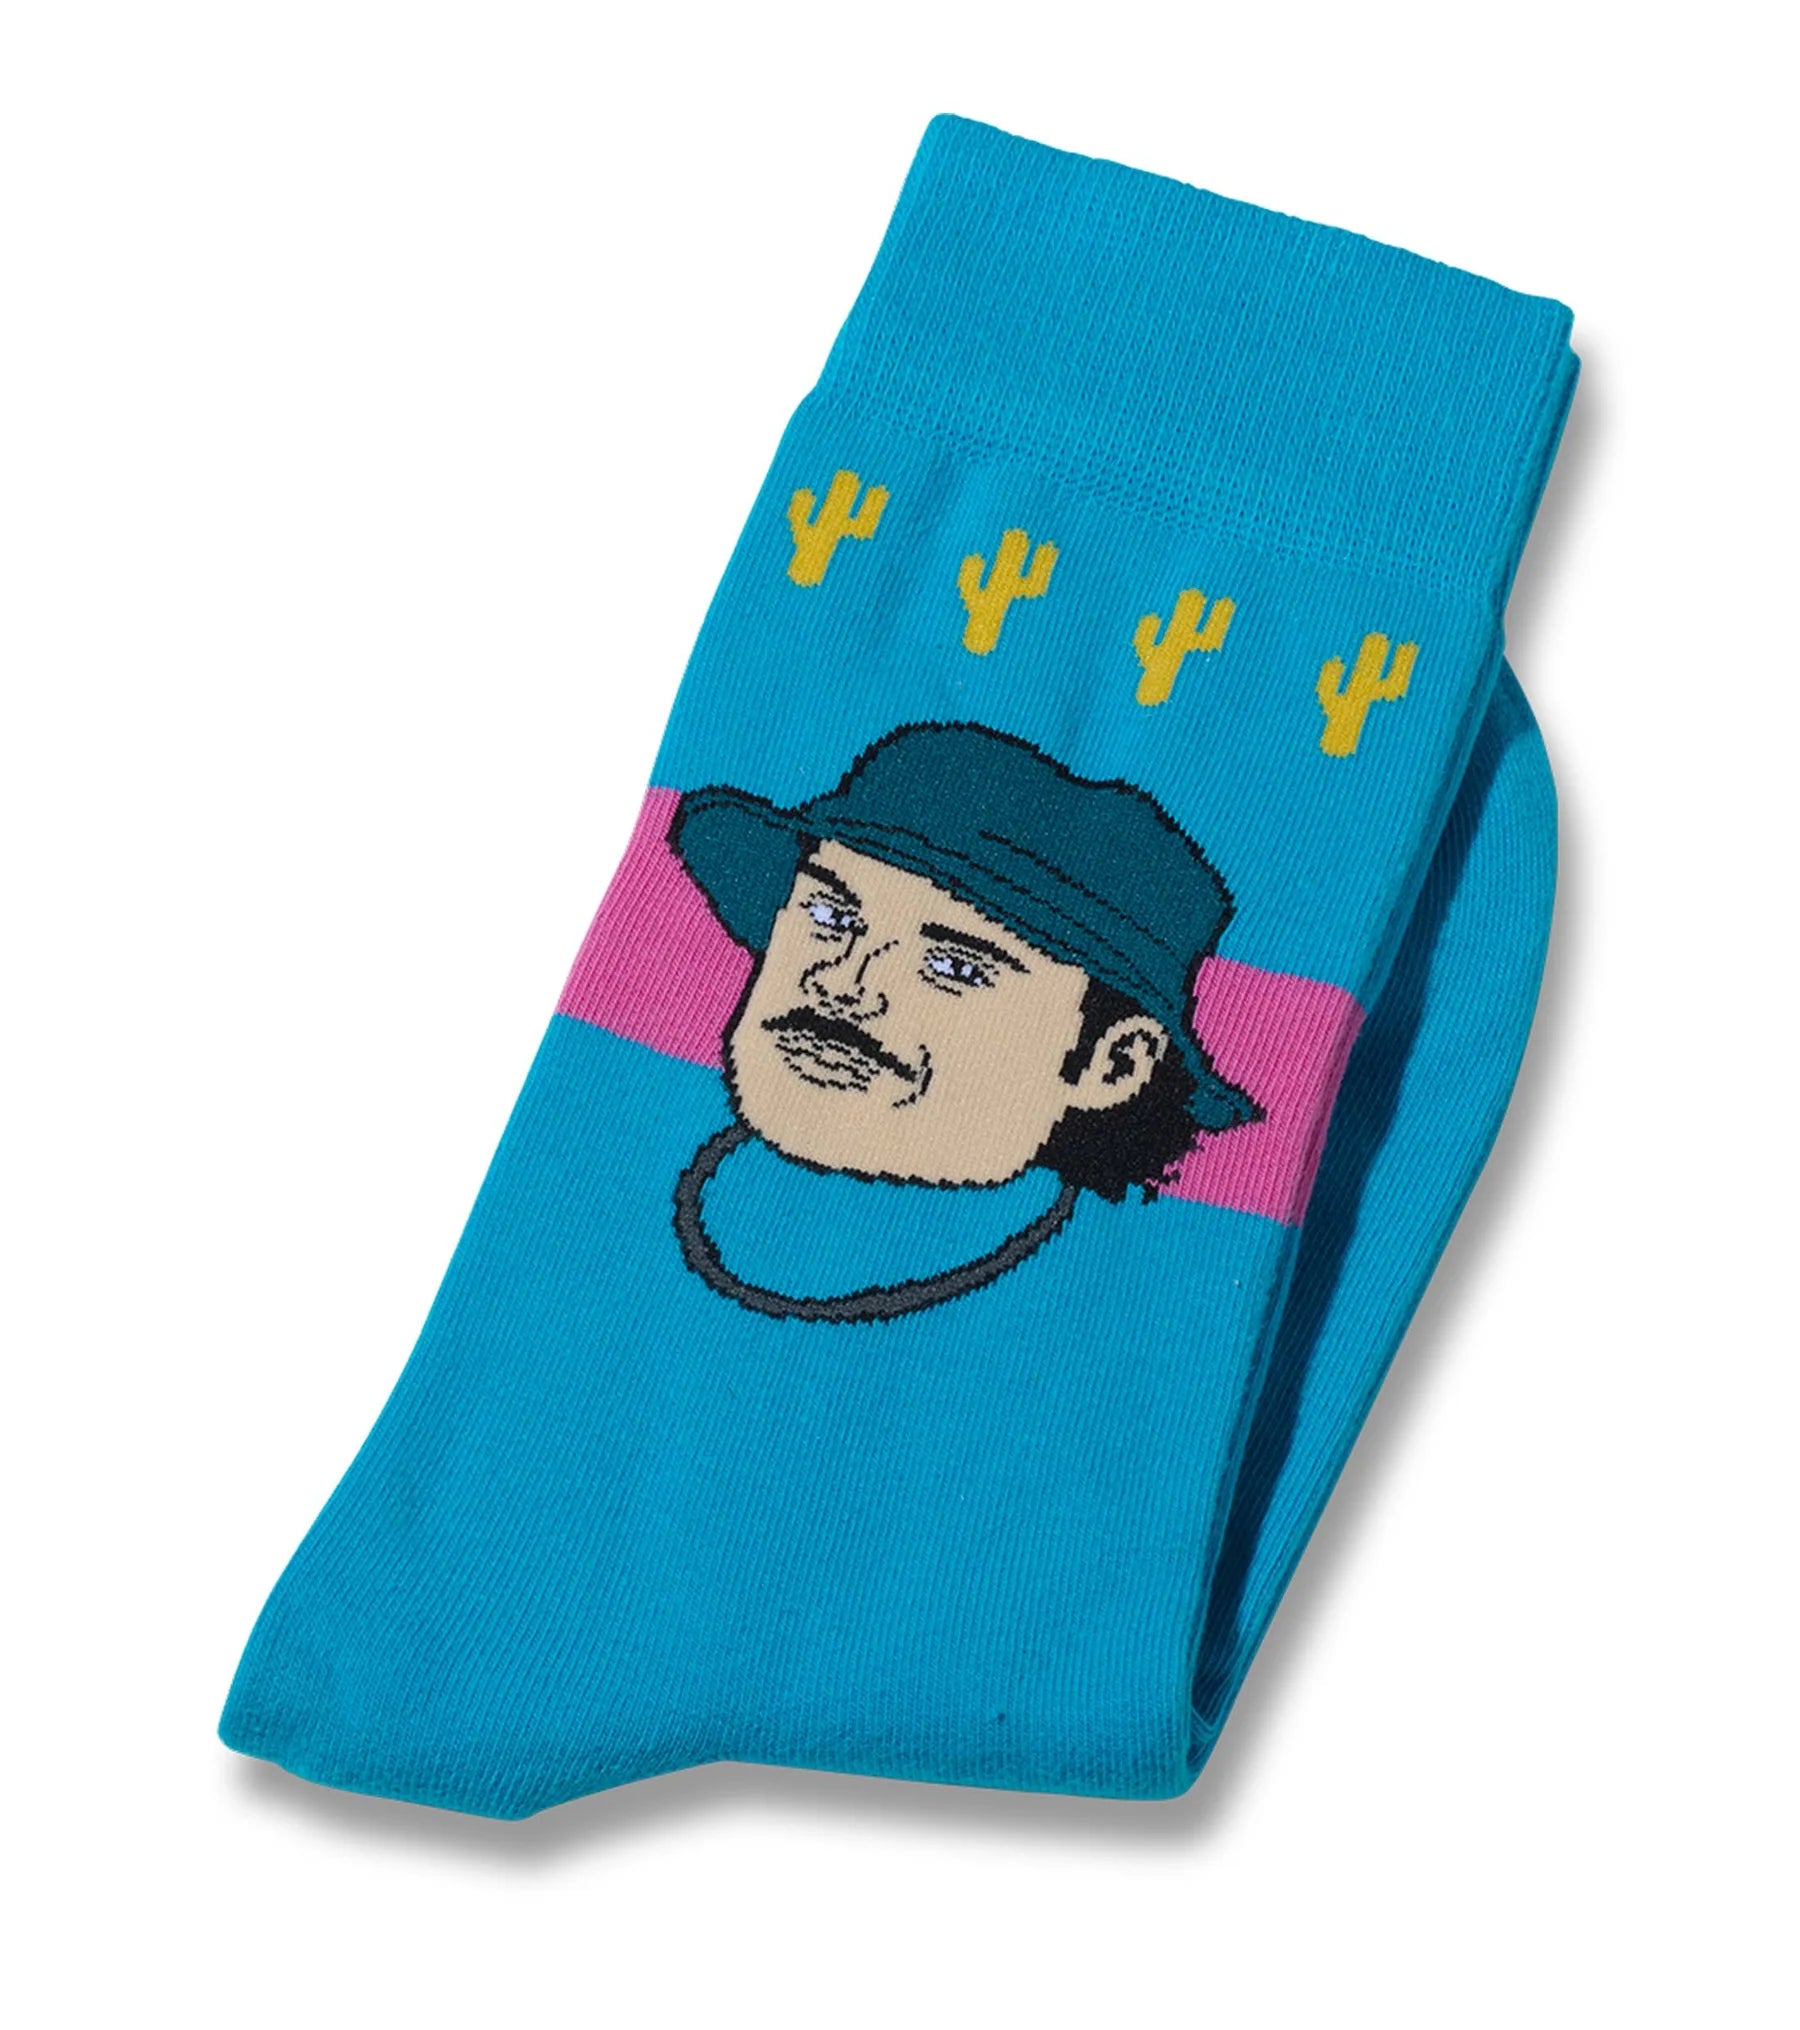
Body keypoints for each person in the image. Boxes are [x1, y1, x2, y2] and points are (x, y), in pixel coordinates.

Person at [669, 721, 1260, 1322]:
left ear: (1114, 1065)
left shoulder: (1138, 1318)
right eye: (829, 915)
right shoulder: (631, 1155)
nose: (843, 983)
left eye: (954, 967)